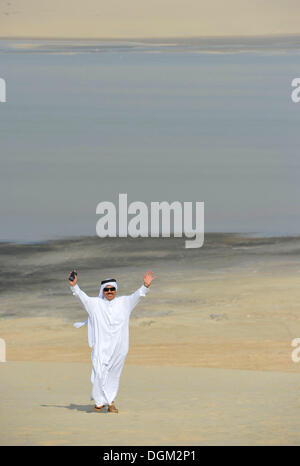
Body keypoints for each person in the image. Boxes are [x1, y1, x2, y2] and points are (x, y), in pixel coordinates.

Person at [68, 269, 156, 413]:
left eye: (112, 289)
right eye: (107, 289)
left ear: (116, 290)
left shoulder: (124, 302)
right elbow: (80, 296)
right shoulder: (94, 304)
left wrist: (145, 286)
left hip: (119, 347)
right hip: (101, 347)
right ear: (103, 290)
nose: (109, 291)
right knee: (99, 372)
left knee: (113, 375)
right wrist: (74, 286)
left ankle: (111, 402)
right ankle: (99, 401)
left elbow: (138, 295)